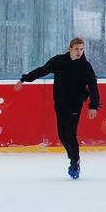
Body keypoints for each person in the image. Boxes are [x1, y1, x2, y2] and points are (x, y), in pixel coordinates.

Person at [15, 37, 100, 179]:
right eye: (76, 49)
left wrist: (93, 106)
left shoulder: (85, 67)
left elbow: (93, 87)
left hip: (75, 103)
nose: (79, 52)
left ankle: (74, 162)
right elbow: (42, 70)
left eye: (81, 49)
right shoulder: (59, 61)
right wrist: (24, 79)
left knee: (70, 134)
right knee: (62, 135)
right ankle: (73, 157)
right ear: (70, 49)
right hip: (60, 103)